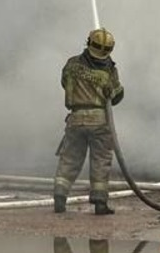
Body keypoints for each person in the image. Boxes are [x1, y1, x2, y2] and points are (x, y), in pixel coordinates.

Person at [53, 27, 124, 215]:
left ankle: (60, 196)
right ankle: (100, 203)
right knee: (100, 160)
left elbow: (64, 83)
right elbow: (117, 97)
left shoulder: (71, 65)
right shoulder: (109, 72)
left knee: (70, 158)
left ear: (88, 42)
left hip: (75, 119)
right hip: (99, 120)